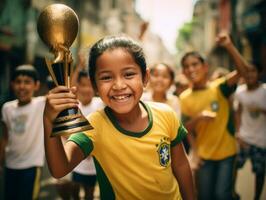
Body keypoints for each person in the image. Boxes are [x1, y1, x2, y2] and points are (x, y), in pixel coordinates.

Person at [43, 35, 195, 200]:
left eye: (128, 74)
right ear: (95, 85)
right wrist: (49, 122)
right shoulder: (94, 125)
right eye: (106, 77)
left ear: (145, 78)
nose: (119, 86)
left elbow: (180, 165)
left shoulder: (166, 114)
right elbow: (59, 168)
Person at [179, 32, 251, 200]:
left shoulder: (219, 87)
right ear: (183, 71)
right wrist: (198, 120)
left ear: (205, 67)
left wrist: (229, 46)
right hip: (204, 156)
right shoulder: (185, 98)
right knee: (205, 196)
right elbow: (185, 129)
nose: (191, 69)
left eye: (195, 64)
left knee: (222, 195)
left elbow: (245, 71)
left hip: (227, 153)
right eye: (187, 66)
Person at [0, 64, 45, 199]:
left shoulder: (41, 104)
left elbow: (64, 91)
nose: (22, 86)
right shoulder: (7, 108)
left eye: (27, 82)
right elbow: (5, 137)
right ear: (12, 84)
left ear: (36, 85)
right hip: (10, 165)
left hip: (31, 166)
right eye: (18, 82)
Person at [234, 64, 266, 200]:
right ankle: (232, 193)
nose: (249, 75)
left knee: (259, 172)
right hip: (244, 138)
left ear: (259, 73)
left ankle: (257, 197)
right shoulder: (239, 92)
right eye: (246, 71)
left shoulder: (264, 91)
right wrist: (238, 133)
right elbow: (237, 112)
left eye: (253, 71)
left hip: (261, 140)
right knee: (234, 166)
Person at [71, 70, 104, 200]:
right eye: (83, 85)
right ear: (77, 87)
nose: (86, 89)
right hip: (75, 160)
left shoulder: (99, 104)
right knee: (74, 190)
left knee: (89, 193)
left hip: (92, 164)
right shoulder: (73, 105)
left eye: (90, 85)